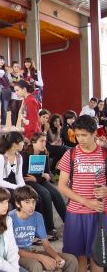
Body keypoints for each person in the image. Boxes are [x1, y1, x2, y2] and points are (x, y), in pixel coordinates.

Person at [58, 115, 107, 272]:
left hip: (100, 215)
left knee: (98, 258)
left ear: (94, 133)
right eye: (77, 135)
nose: (80, 139)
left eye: (84, 135)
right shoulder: (70, 154)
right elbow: (62, 186)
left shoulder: (104, 154)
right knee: (78, 258)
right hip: (76, 214)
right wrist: (86, 201)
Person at [9, 186, 78, 272]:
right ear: (17, 203)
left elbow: (46, 245)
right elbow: (13, 249)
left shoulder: (37, 216)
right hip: (14, 255)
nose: (31, 206)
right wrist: (41, 258)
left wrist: (57, 257)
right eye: (27, 202)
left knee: (71, 260)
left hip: (30, 252)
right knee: (35, 265)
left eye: (33, 202)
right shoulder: (9, 218)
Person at [21, 132, 66, 240]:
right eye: (41, 141)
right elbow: (24, 175)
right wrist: (41, 177)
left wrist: (40, 177)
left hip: (39, 180)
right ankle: (50, 228)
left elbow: (48, 174)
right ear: (33, 142)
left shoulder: (43, 154)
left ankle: (69, 222)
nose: (44, 143)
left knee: (56, 193)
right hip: (29, 182)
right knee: (45, 194)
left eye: (45, 141)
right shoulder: (25, 155)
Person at [0, 131, 25, 199]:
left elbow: (19, 178)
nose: (23, 144)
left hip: (13, 186)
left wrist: (23, 189)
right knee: (18, 198)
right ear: (14, 144)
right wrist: (16, 187)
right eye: (21, 142)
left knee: (29, 196)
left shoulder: (19, 157)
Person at [0, 55, 12, 131]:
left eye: (3, 60)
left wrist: (3, 78)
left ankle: (3, 125)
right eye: (0, 59)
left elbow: (9, 81)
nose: (1, 61)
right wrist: (1, 79)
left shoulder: (6, 70)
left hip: (5, 91)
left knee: (4, 110)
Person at [10, 61, 23, 130]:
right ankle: (13, 126)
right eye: (15, 67)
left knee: (17, 111)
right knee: (13, 111)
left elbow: (22, 84)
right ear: (12, 67)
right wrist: (16, 85)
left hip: (20, 96)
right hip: (13, 94)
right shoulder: (10, 75)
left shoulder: (21, 76)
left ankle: (15, 126)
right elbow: (10, 83)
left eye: (17, 67)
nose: (16, 68)